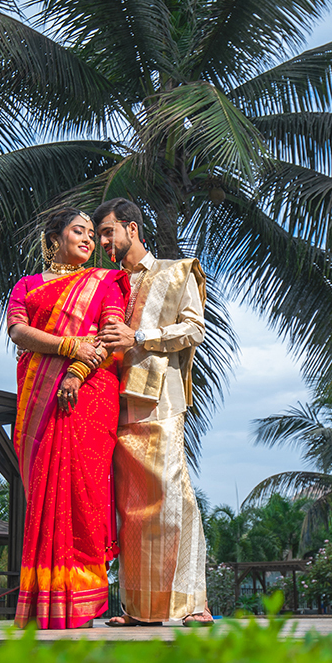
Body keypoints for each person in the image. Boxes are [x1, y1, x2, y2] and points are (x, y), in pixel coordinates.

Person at [6, 207, 130, 629]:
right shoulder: (28, 285)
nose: (89, 240)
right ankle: (45, 601)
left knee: (83, 493)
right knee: (44, 493)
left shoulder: (106, 282)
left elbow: (109, 336)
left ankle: (79, 603)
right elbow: (18, 331)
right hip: (39, 398)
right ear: (53, 238)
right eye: (79, 231)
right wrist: (66, 348)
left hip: (88, 396)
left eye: (93, 234)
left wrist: (76, 372)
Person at [94, 197, 214, 627]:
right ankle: (137, 609)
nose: (104, 242)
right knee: (131, 506)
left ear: (132, 228)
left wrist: (140, 336)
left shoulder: (176, 270)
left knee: (172, 496)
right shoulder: (107, 285)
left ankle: (195, 603)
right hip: (115, 402)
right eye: (100, 235)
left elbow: (194, 328)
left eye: (109, 232)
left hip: (161, 399)